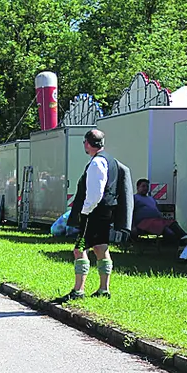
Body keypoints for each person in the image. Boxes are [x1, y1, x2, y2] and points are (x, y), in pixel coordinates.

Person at [60, 129, 116, 301]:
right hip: (105, 212)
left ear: (87, 143)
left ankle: (78, 290)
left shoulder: (97, 163)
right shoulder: (110, 160)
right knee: (100, 247)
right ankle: (104, 289)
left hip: (92, 213)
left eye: (84, 142)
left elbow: (95, 193)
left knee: (79, 249)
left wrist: (84, 211)